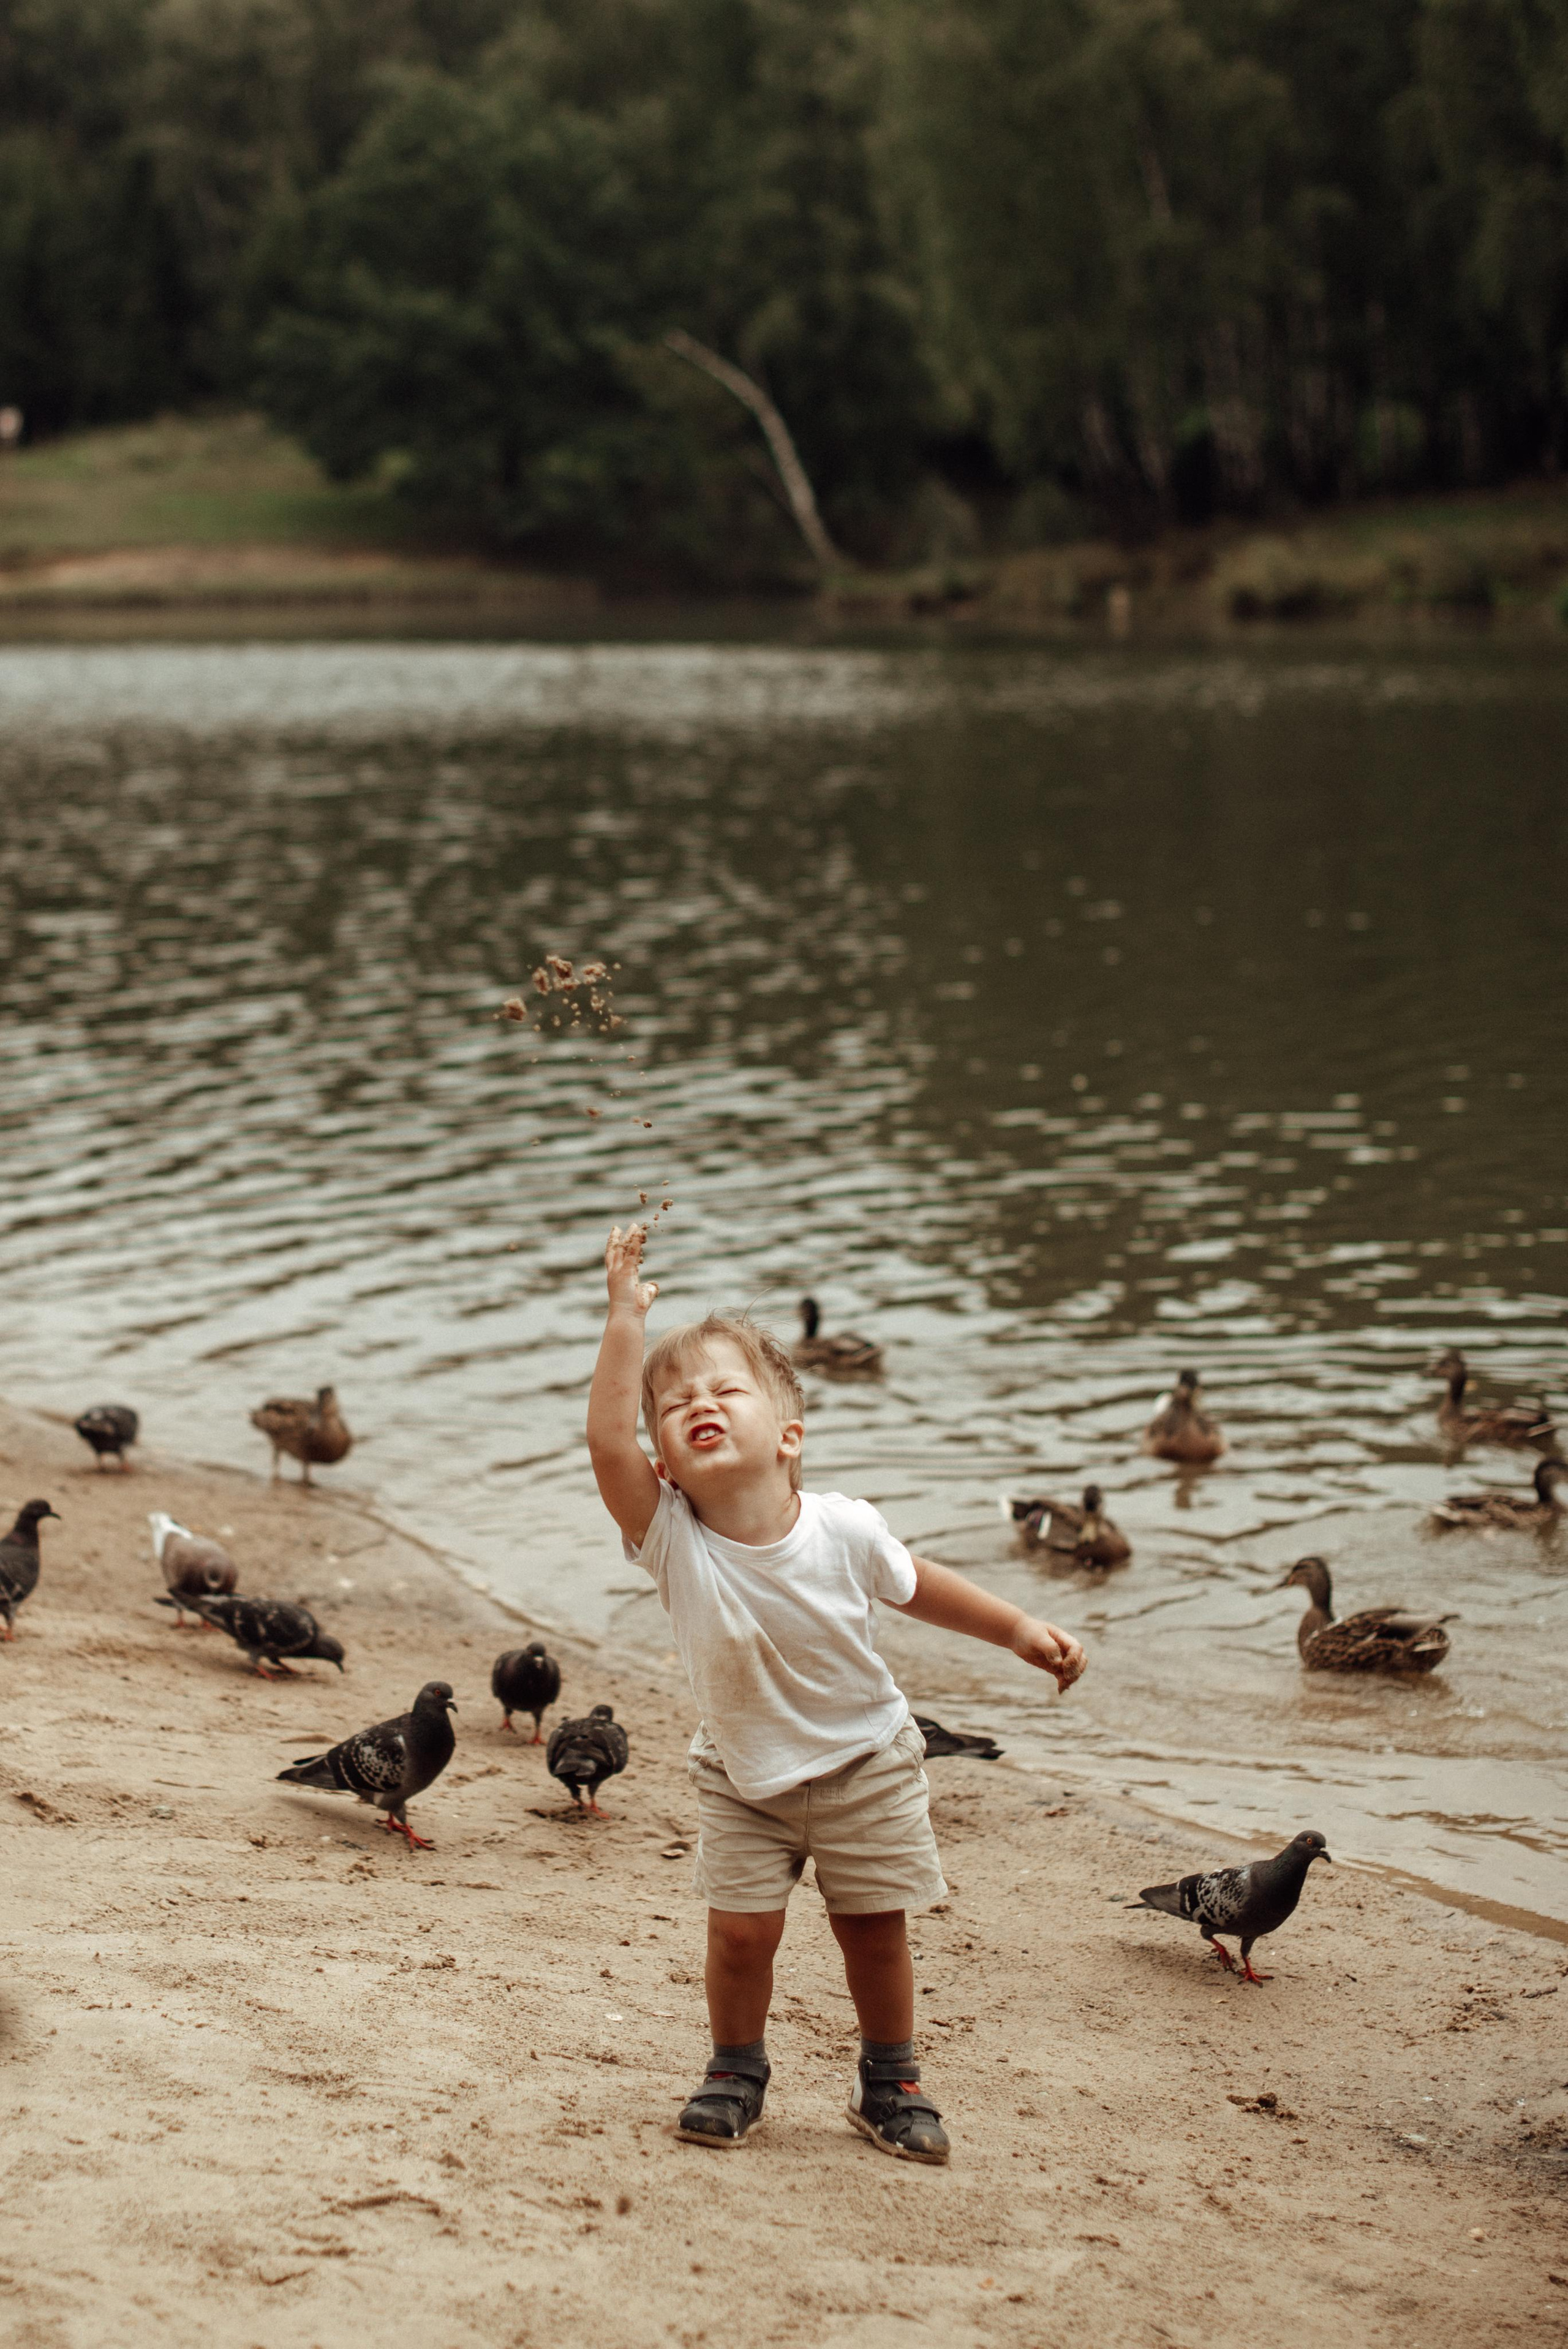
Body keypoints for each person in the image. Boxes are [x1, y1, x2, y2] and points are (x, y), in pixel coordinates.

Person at [587, 1222, 1088, 2165]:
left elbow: (917, 1582)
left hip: (867, 1761)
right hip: (744, 1774)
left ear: (789, 1435)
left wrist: (1019, 1628)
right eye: (676, 1403)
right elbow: (606, 1440)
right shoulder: (670, 1536)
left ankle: (889, 2077)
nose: (700, 1403)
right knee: (740, 1935)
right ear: (662, 1461)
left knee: (873, 1932)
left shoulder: (843, 1527)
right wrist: (624, 1319)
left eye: (727, 1390)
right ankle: (737, 2068)